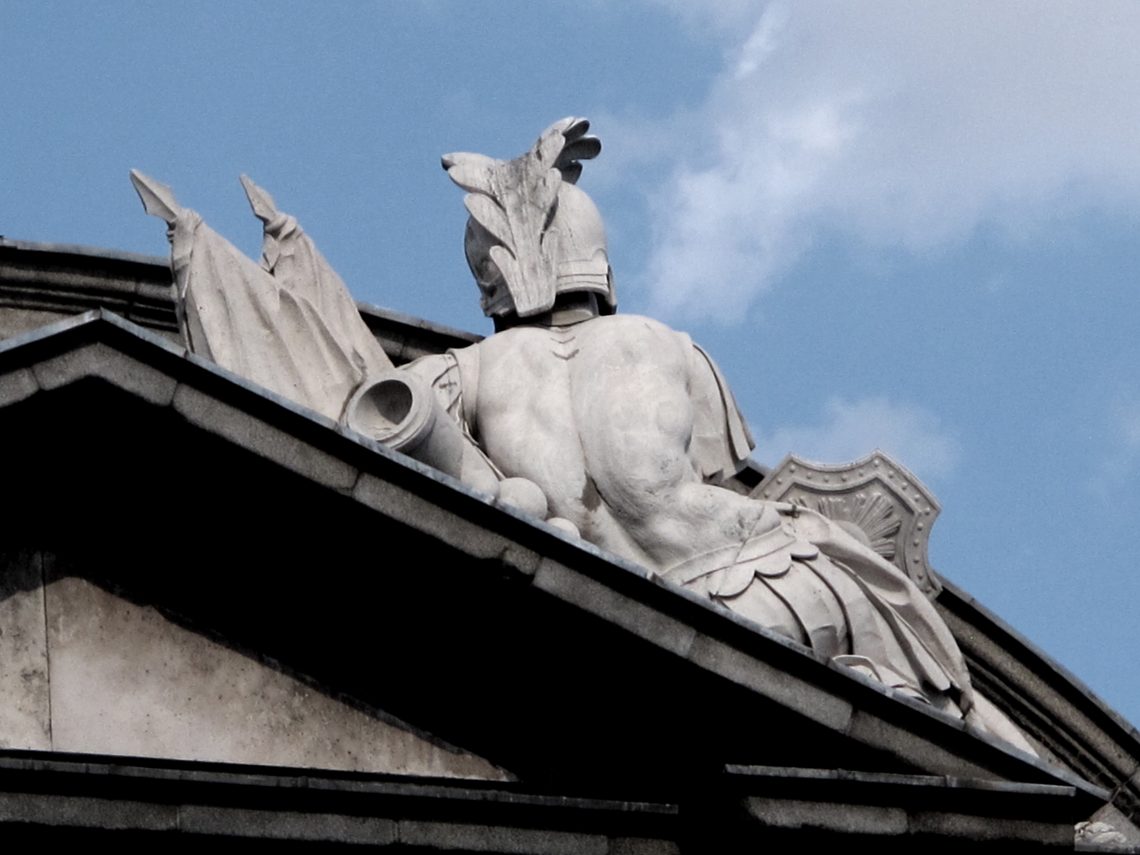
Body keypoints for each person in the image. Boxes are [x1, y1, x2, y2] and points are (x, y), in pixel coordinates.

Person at [133, 118, 1032, 751]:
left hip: (631, 621)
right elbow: (717, 474)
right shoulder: (667, 345)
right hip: (780, 594)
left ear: (502, 276)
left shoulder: (469, 373)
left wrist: (251, 305)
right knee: (921, 655)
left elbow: (353, 408)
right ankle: (1038, 782)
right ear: (595, 263)